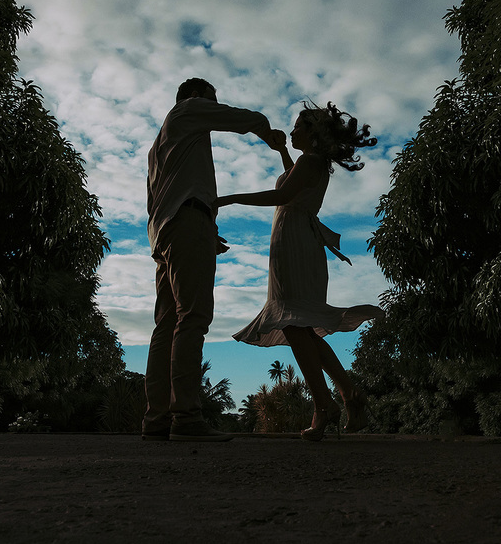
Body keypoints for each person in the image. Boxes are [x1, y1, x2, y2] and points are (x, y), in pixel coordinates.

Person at [216, 101, 383, 441]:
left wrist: (229, 199)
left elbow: (285, 193)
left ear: (312, 132)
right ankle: (347, 395)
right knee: (300, 326)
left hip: (295, 243)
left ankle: (326, 405)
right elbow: (293, 181)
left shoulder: (311, 162)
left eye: (296, 127)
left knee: (293, 324)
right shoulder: (311, 163)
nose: (291, 132)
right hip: (296, 242)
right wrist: (280, 153)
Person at [145, 78, 285, 442]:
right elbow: (244, 118)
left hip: (167, 230)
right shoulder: (189, 110)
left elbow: (162, 196)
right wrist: (268, 132)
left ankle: (157, 418)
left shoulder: (159, 145)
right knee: (192, 318)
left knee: (166, 323)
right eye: (212, 101)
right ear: (198, 97)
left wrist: (202, 225)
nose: (212, 107)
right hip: (185, 222)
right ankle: (187, 418)